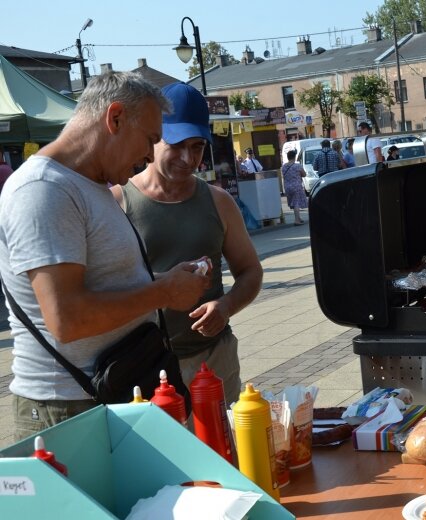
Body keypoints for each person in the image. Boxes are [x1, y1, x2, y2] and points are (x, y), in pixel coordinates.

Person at [0, 71, 210, 440]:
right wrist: (164, 293)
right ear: (114, 118)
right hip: (67, 408)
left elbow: (105, 283)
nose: (149, 155)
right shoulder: (44, 189)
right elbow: (67, 318)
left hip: (103, 392)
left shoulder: (89, 183)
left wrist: (167, 282)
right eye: (149, 140)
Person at [111, 82, 262, 405]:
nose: (187, 158)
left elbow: (250, 271)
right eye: (177, 145)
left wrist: (225, 306)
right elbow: (102, 288)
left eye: (197, 147)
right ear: (154, 139)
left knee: (223, 454)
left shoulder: (218, 202)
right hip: (144, 366)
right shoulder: (117, 202)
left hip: (214, 359)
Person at [281, 149, 308, 225]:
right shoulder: (297, 166)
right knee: (296, 203)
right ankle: (297, 220)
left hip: (287, 187)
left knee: (293, 202)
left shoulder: (283, 167)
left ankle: (299, 218)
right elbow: (304, 174)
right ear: (294, 157)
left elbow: (284, 176)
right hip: (296, 186)